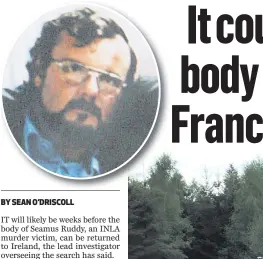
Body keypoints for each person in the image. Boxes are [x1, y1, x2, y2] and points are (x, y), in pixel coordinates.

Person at [2, 7, 158, 177]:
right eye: (74, 68)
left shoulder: (134, 158)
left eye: (110, 80)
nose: (90, 90)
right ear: (40, 71)